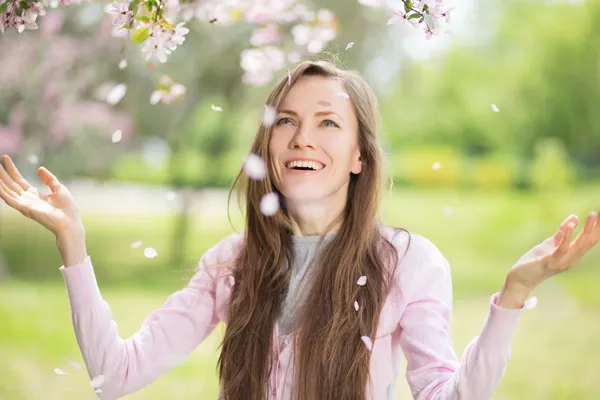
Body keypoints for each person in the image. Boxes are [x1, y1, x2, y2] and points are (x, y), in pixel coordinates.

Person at [0, 60, 598, 400]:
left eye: (327, 122)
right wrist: (74, 247)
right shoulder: (231, 263)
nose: (302, 137)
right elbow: (114, 376)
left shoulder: (408, 263)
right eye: (285, 121)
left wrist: (512, 297)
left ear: (360, 155)